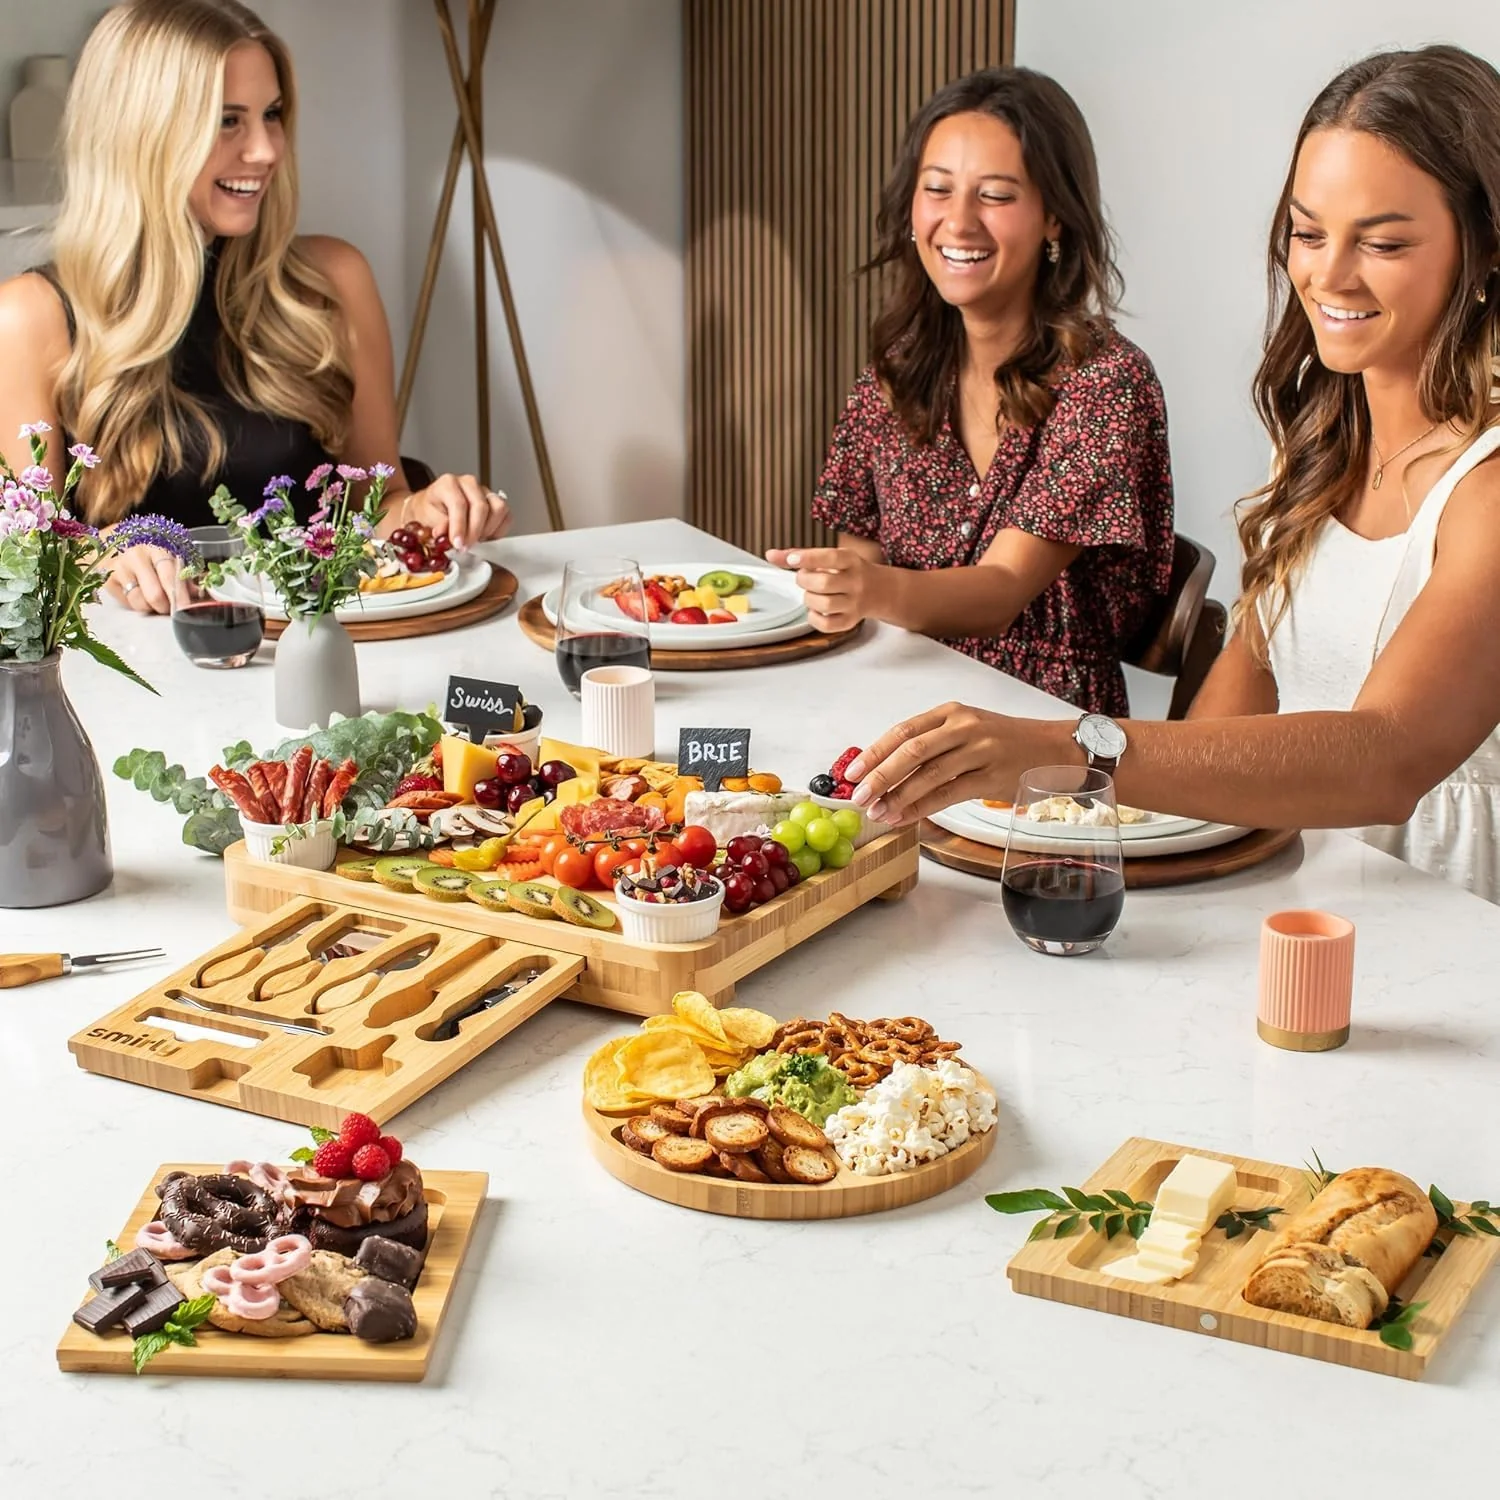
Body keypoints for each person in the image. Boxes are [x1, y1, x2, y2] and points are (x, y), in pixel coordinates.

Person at [848, 46, 1500, 903]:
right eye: (1307, 233)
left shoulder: (1486, 488)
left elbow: (1386, 757)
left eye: (1381, 242)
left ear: (1485, 250)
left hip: (1447, 936)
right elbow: (1224, 722)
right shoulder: (1316, 449)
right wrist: (1075, 810)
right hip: (1304, 904)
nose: (1328, 274)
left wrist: (1062, 746)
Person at [0, 0, 509, 615]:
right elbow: (26, 560)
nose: (267, 150)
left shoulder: (333, 283)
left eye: (272, 115)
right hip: (147, 676)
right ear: (141, 133)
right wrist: (101, 559)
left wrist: (429, 511)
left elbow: (382, 506)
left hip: (326, 653)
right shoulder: (31, 316)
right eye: (227, 121)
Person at [766, 66, 1175, 717]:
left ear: (1055, 219)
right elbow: (861, 567)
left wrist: (869, 588)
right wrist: (841, 592)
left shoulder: (1106, 383)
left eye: (996, 195)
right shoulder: (891, 376)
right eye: (937, 190)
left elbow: (1002, 589)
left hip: (1046, 740)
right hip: (898, 706)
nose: (959, 222)